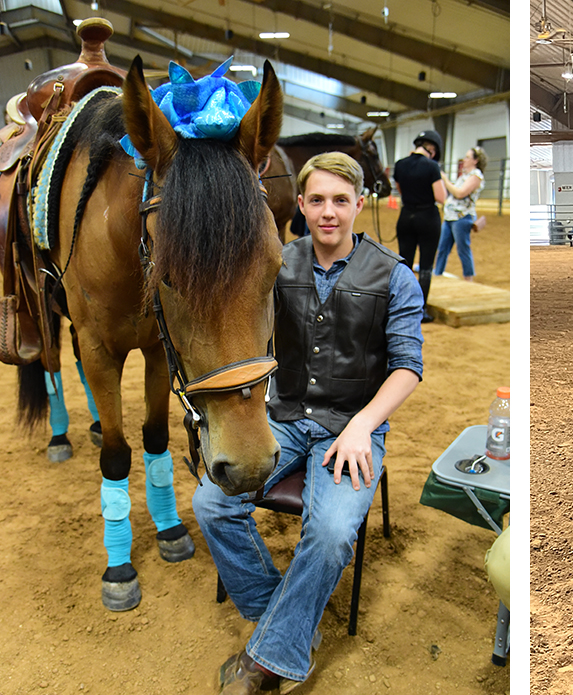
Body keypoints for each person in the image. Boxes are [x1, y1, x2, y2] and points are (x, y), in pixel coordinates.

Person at [194, 151, 424, 694]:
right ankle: (287, 626)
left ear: (359, 205)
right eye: (317, 200)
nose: (328, 212)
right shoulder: (273, 265)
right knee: (211, 503)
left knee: (329, 532)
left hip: (353, 424)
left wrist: (364, 425)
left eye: (340, 201)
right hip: (285, 417)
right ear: (299, 204)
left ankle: (269, 655)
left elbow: (407, 368)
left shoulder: (396, 277)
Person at [393, 130, 447, 322]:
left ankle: (401, 305)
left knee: (404, 263)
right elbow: (441, 197)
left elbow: (400, 190)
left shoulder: (400, 165)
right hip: (427, 218)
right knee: (425, 265)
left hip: (406, 216)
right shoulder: (432, 166)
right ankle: (420, 309)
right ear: (432, 149)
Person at [434, 146, 487, 281]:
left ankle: (468, 279)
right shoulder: (464, 176)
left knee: (463, 250)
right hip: (450, 217)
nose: (465, 159)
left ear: (475, 161)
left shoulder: (475, 176)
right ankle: (437, 275)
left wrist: (445, 180)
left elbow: (460, 193)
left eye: (468, 157)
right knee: (442, 249)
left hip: (461, 218)